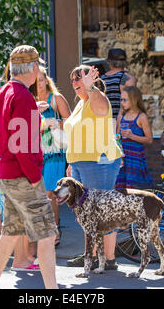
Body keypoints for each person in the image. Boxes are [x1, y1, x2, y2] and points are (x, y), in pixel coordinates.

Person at [0, 45, 58, 289]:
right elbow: (23, 146)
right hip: (23, 176)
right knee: (47, 234)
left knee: (11, 233)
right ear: (34, 68)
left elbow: (12, 131)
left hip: (7, 173)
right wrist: (36, 177)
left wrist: (32, 114)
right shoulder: (23, 96)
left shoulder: (4, 92)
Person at [64, 64, 122, 270]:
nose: (75, 83)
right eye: (72, 80)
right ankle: (92, 254)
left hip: (99, 162)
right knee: (87, 211)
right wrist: (71, 162)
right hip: (81, 162)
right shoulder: (81, 103)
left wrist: (91, 87)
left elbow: (100, 105)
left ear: (91, 80)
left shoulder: (98, 99)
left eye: (79, 78)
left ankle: (109, 258)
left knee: (101, 210)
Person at [0, 123, 39, 270]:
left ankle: (23, 254)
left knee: (18, 214)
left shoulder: (17, 123)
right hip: (0, 174)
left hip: (11, 173)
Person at [29, 66, 71, 247]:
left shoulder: (56, 99)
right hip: (35, 152)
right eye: (34, 81)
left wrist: (54, 122)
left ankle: (55, 229)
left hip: (55, 151)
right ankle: (42, 230)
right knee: (37, 194)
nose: (37, 84)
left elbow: (71, 122)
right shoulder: (29, 100)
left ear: (46, 80)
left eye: (40, 80)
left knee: (50, 193)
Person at [115, 86, 153, 190]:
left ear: (134, 100)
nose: (122, 102)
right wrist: (117, 137)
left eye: (125, 100)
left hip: (135, 158)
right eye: (121, 99)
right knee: (120, 189)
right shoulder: (122, 115)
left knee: (134, 190)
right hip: (123, 159)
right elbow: (117, 136)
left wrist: (132, 136)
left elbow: (149, 139)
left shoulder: (141, 117)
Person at [101, 48, 137, 120]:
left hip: (104, 120)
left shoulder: (101, 78)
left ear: (109, 61)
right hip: (123, 122)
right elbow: (132, 104)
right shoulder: (129, 78)